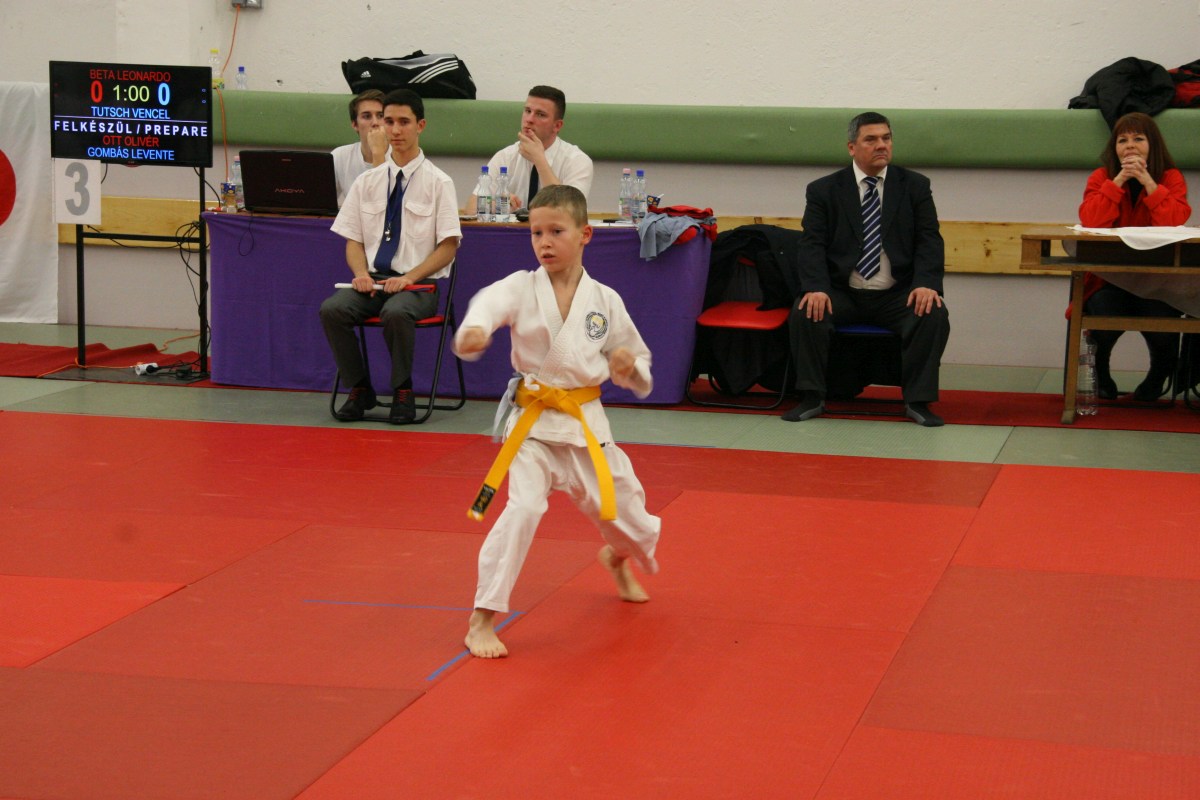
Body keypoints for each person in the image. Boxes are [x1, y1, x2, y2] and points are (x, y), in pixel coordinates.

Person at [454, 184, 660, 658]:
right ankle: (482, 617)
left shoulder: (604, 299)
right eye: (536, 233)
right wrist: (474, 331)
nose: (544, 242)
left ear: (585, 234)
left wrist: (630, 369)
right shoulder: (520, 287)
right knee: (523, 509)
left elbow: (636, 360)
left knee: (632, 519)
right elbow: (487, 305)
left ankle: (617, 556)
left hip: (586, 424)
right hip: (533, 425)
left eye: (556, 232)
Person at [784, 112, 950, 427]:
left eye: (886, 138)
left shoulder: (914, 186)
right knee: (806, 310)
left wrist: (926, 283)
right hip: (843, 292)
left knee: (932, 312)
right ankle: (811, 397)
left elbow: (929, 239)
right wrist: (816, 287)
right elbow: (812, 244)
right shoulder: (824, 190)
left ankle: (918, 401)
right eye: (871, 139)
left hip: (895, 294)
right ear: (852, 147)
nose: (881, 145)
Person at [320, 88, 461, 423]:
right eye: (389, 121)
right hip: (374, 282)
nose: (395, 130)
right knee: (332, 310)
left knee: (396, 313)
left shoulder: (439, 182)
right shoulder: (366, 181)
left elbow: (449, 247)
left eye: (404, 122)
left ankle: (403, 391)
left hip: (418, 286)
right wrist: (360, 273)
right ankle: (360, 389)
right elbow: (353, 240)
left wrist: (409, 278)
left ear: (420, 125)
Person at [1077, 111, 1191, 400]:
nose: (1130, 146)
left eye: (1138, 139)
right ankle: (1101, 376)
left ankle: (1156, 379)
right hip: (1110, 279)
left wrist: (1148, 181)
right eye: (1122, 140)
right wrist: (1118, 181)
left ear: (1152, 145)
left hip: (1158, 281)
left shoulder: (1171, 177)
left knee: (1163, 323)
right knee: (1102, 312)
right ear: (1114, 147)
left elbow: (1175, 221)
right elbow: (1091, 220)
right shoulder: (1102, 177)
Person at [464, 86, 594, 214]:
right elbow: (470, 209)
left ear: (557, 125)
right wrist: (498, 205)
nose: (529, 119)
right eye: (527, 111)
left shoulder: (577, 161)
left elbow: (570, 213)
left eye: (540, 114)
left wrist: (539, 160)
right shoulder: (505, 156)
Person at [332, 89, 388, 206]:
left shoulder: (403, 157)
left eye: (380, 115)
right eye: (367, 116)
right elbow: (320, 202)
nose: (375, 122)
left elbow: (380, 205)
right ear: (355, 124)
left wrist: (378, 152)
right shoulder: (339, 156)